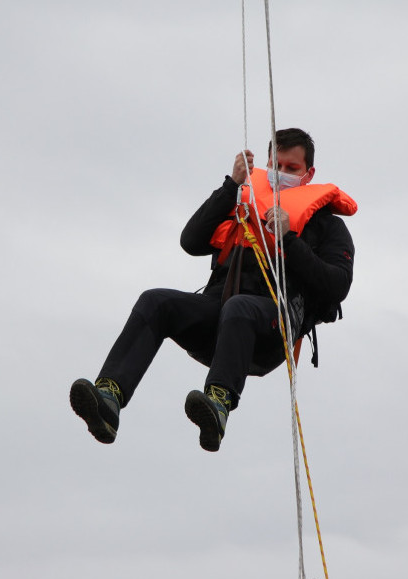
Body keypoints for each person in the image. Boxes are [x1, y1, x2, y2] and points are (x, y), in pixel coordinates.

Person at [70, 128, 356, 452]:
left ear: (309, 173)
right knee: (156, 301)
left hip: (270, 330)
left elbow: (337, 286)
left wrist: (289, 239)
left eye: (292, 169)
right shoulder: (242, 202)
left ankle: (218, 405)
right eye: (277, 166)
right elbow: (190, 241)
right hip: (220, 322)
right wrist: (231, 186)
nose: (282, 174)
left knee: (240, 307)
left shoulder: (326, 226)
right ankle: (110, 396)